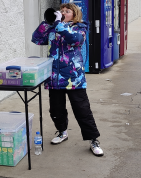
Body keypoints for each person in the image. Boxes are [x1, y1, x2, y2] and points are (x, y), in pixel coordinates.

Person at [32, 3, 104, 156]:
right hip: (55, 78)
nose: (63, 13)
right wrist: (47, 23)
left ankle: (93, 140)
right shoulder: (53, 28)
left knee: (82, 110)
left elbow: (75, 40)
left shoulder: (81, 27)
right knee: (56, 109)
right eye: (61, 11)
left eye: (67, 11)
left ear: (74, 14)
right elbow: (36, 39)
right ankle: (62, 132)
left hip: (74, 78)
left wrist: (59, 24)